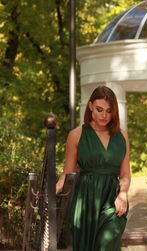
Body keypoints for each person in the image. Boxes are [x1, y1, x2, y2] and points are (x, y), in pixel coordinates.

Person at [56, 85, 130, 251]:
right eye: (99, 109)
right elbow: (68, 172)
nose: (104, 115)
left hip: (113, 199)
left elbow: (125, 174)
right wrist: (52, 190)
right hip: (85, 201)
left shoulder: (122, 136)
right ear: (90, 106)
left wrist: (123, 194)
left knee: (107, 242)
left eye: (109, 111)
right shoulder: (76, 135)